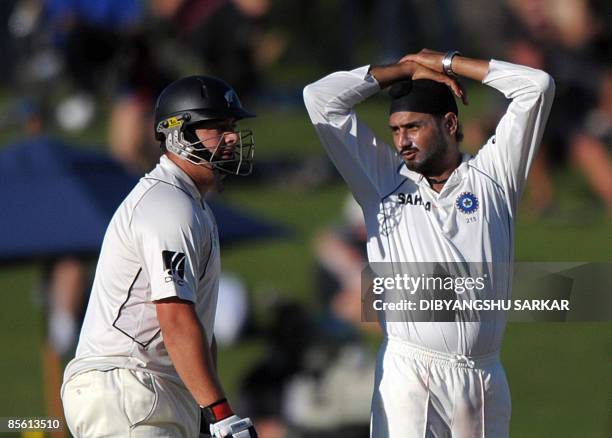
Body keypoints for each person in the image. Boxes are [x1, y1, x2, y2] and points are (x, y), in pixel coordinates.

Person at [304, 49, 554, 437]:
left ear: (450, 123)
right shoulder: (382, 181)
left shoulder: (494, 177)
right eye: (396, 130)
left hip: (483, 376)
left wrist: (448, 64)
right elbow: (319, 98)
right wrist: (404, 70)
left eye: (414, 127)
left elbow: (536, 87)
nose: (402, 141)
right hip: (411, 374)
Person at [61, 75, 258, 438]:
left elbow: (198, 327)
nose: (231, 137)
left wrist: (207, 412)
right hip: (130, 386)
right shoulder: (169, 206)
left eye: (231, 127)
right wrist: (222, 414)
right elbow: (176, 320)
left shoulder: (190, 205)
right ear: (179, 135)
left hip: (146, 390)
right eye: (217, 127)